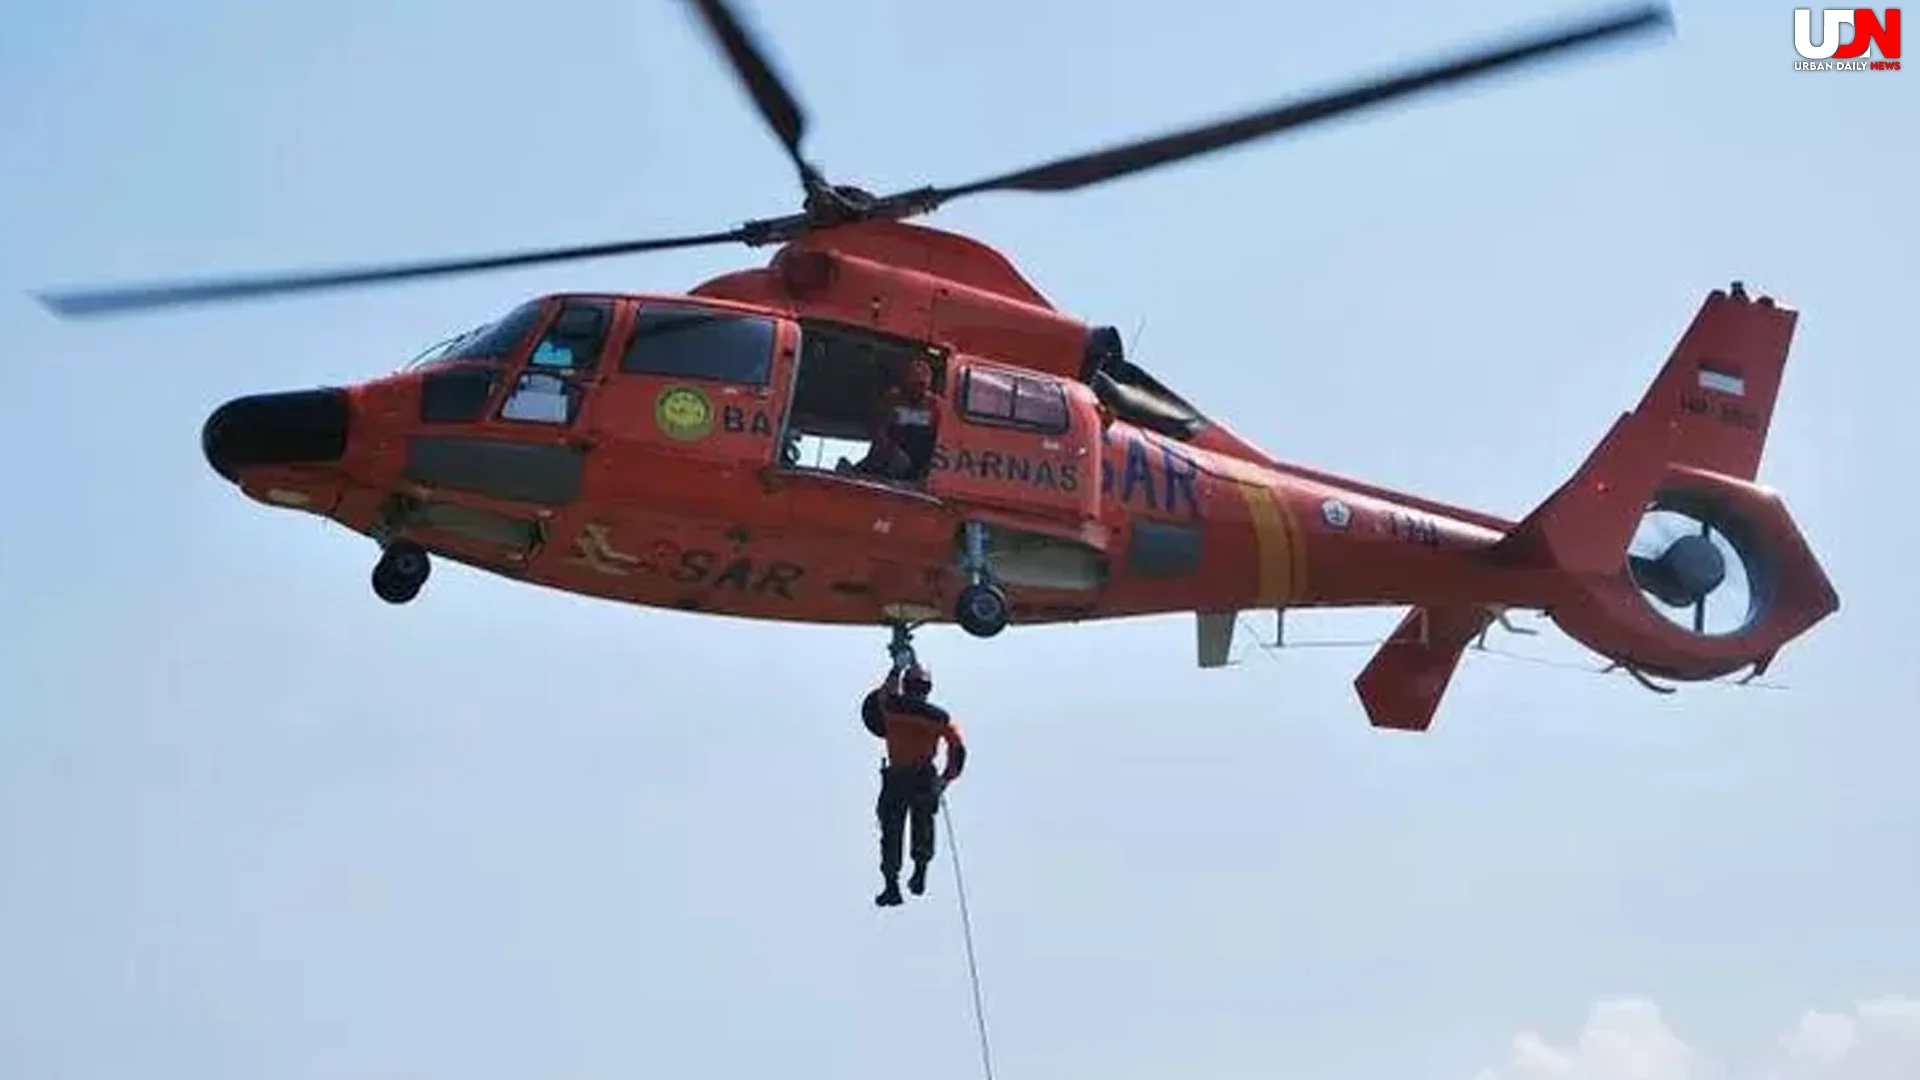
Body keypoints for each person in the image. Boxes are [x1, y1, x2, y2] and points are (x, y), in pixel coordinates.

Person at [860, 652, 966, 907]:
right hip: (923, 777)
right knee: (923, 823)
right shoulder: (939, 718)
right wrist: (945, 779)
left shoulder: (892, 708)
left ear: (906, 686)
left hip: (898, 777)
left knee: (891, 830)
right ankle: (919, 872)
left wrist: (897, 667)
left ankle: (892, 885)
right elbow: (958, 748)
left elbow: (884, 693)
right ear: (927, 690)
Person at [852, 357, 939, 482]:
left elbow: (941, 438)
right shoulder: (892, 399)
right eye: (913, 384)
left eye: (921, 384)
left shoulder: (936, 406)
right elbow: (876, 428)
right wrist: (891, 451)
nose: (917, 389)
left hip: (919, 464)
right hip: (888, 456)